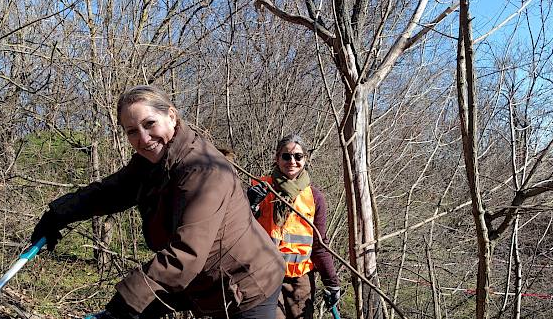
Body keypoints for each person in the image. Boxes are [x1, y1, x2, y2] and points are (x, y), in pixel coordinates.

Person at [30, 85, 284, 319]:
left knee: (132, 304)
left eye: (149, 124)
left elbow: (185, 254)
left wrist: (121, 306)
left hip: (245, 283)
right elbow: (109, 192)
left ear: (171, 116)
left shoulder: (204, 171)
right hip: (201, 278)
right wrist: (58, 214)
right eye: (132, 131)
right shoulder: (152, 163)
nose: (143, 138)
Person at [246, 135, 341, 319]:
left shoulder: (315, 197)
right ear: (277, 158)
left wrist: (332, 282)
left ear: (305, 159)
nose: (292, 161)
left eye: (298, 156)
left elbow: (319, 244)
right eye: (286, 156)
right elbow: (239, 230)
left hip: (299, 279)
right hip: (263, 275)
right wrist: (249, 205)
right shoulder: (259, 188)